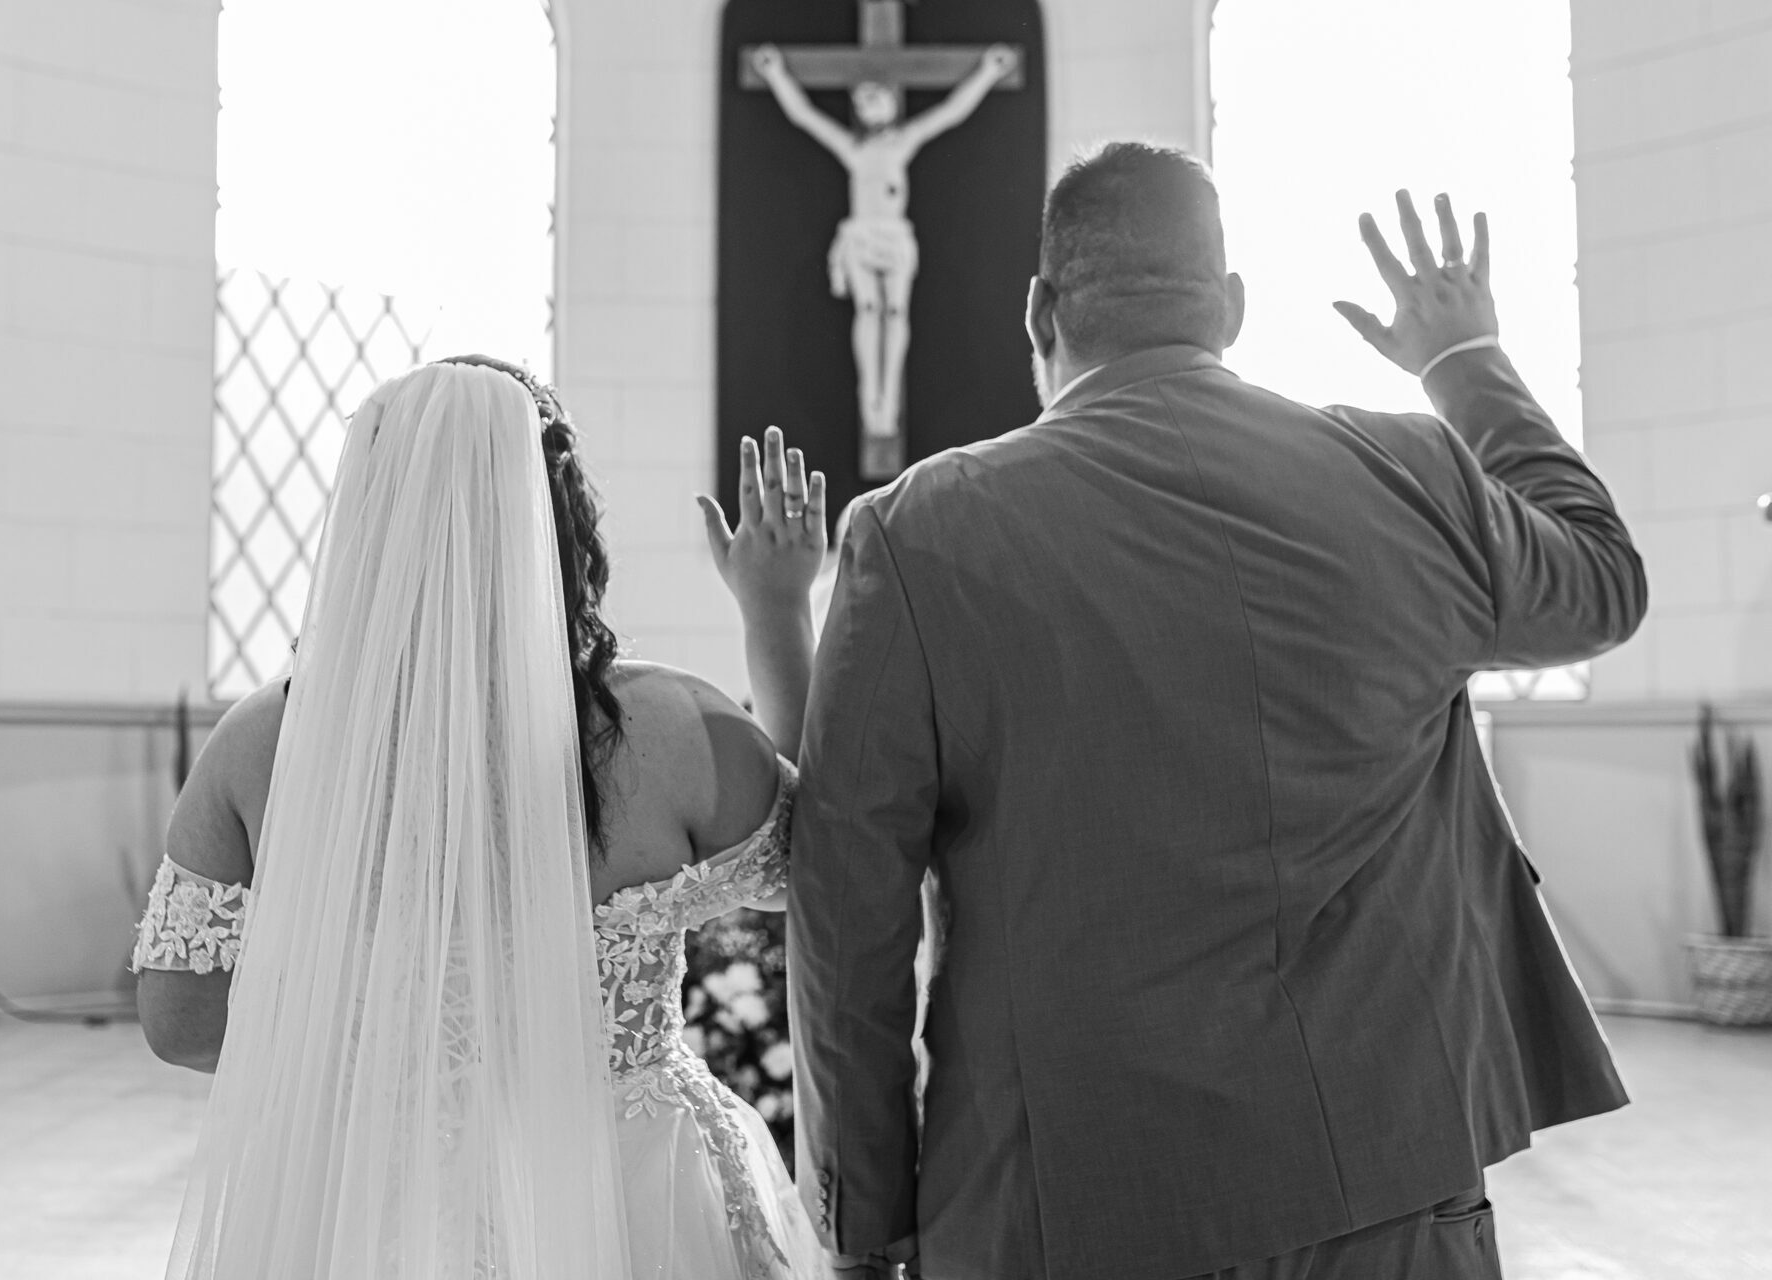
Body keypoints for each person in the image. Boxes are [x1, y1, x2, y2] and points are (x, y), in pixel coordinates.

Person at [788, 142, 1647, 1280]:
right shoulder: (1413, 473)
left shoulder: (917, 534)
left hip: (1064, 1204)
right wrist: (1463, 358)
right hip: (1385, 1188)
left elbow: (848, 907)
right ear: (1231, 309)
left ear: (1040, 313)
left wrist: (860, 1221)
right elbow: (1602, 581)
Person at [133, 356, 831, 1279]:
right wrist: (775, 610)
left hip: (376, 1206)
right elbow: (829, 875)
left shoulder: (264, 743)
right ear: (563, 525)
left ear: (365, 524)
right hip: (640, 1198)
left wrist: (389, 1051)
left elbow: (181, 1019)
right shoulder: (674, 729)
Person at [750, 42, 1017, 473]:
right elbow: (805, 116)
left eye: (876, 96)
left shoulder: (903, 142)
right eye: (863, 99)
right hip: (861, 236)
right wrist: (777, 74)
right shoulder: (853, 148)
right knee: (869, 310)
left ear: (892, 101)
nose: (869, 104)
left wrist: (987, 72)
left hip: (893, 237)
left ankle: (887, 400)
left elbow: (951, 112)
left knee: (893, 312)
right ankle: (869, 400)